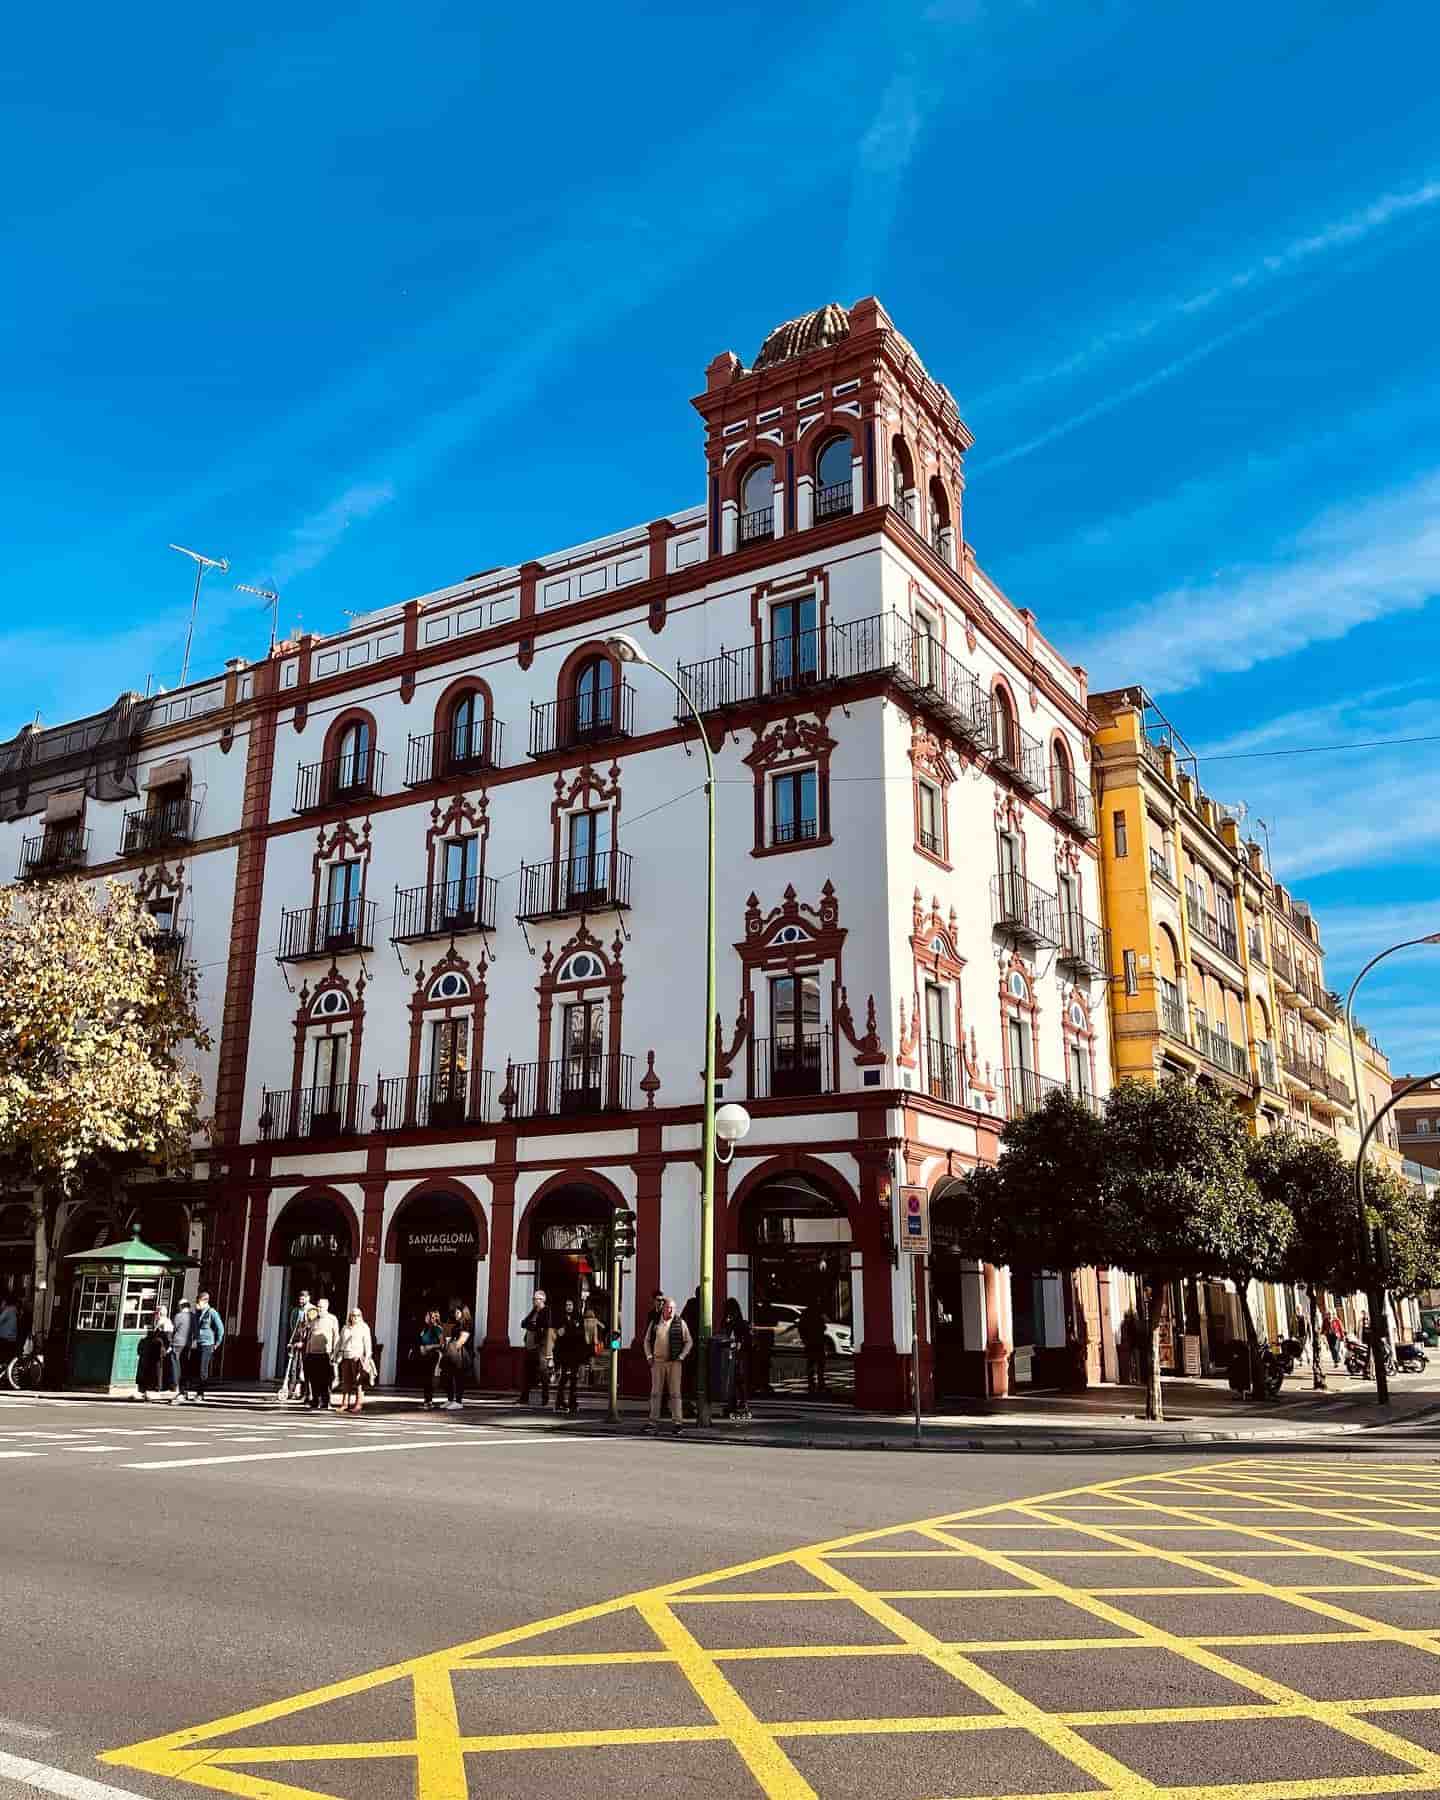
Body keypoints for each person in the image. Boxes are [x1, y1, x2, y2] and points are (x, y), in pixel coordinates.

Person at [645, 1295, 692, 1433]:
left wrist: (682, 1356)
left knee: (675, 1394)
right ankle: (652, 1422)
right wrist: (649, 1356)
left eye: (673, 1308)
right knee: (655, 1393)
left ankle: (678, 1423)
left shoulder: (680, 1322)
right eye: (668, 1308)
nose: (670, 1310)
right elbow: (646, 1340)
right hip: (657, 1362)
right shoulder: (655, 1322)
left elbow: (689, 1341)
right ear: (663, 1308)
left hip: (674, 1363)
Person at [187, 1290, 225, 1401]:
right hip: (197, 1344)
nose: (196, 1304)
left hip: (207, 1344)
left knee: (202, 1370)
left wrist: (216, 1344)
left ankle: (200, 1393)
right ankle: (188, 1391)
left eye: (198, 1302)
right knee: (193, 1368)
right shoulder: (198, 1313)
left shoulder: (211, 1312)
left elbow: (220, 1329)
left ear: (205, 1301)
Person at [518, 1290, 554, 1406]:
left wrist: (533, 1326)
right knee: (527, 1373)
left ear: (543, 1300)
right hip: (530, 1346)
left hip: (540, 1347)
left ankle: (545, 1398)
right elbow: (523, 1323)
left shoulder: (546, 1311)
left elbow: (544, 1326)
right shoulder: (533, 1311)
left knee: (543, 1373)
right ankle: (524, 1398)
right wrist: (532, 1325)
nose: (534, 1301)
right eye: (533, 1299)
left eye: (536, 1299)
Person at [304, 1298, 340, 1410]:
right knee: (313, 1378)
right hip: (312, 1353)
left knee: (325, 1379)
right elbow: (309, 1335)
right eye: (318, 1306)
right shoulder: (313, 1319)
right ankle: (315, 1400)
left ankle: (325, 1401)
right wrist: (307, 1351)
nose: (319, 1308)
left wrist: (335, 1352)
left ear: (327, 1307)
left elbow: (336, 1336)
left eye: (321, 1307)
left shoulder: (332, 1319)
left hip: (326, 1353)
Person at [720, 1297, 752, 1420]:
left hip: (738, 1354)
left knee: (737, 1379)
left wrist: (740, 1343)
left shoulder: (739, 1323)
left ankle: (740, 1403)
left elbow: (745, 1339)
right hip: (733, 1354)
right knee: (734, 1381)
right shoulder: (730, 1322)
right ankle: (737, 1403)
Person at [553, 1298, 586, 1415]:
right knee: (563, 1378)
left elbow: (580, 1334)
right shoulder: (561, 1318)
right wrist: (570, 1330)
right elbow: (559, 1334)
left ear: (574, 1306)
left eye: (570, 1304)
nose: (568, 1307)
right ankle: (560, 1402)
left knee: (573, 1379)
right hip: (563, 1353)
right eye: (567, 1305)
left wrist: (567, 1330)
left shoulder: (578, 1317)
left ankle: (573, 1402)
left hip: (575, 1353)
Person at [337, 1308, 374, 1414]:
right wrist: (336, 1355)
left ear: (360, 1316)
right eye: (353, 1315)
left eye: (358, 1315)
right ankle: (344, 1404)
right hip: (346, 1357)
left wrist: (367, 1358)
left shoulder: (364, 1327)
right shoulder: (345, 1328)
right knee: (346, 1382)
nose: (355, 1317)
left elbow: (368, 1344)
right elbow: (339, 1342)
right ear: (350, 1316)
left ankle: (358, 1404)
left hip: (357, 1357)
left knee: (358, 1382)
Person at [136, 1311, 173, 1401]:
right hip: (156, 1356)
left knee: (156, 1371)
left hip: (156, 1356)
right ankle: (153, 1388)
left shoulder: (163, 1327)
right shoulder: (158, 1336)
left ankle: (150, 1389)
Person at [441, 1306, 472, 1411]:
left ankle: (458, 1401)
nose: (456, 1314)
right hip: (452, 1351)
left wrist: (453, 1348)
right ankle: (450, 1399)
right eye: (455, 1312)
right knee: (447, 1375)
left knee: (459, 1377)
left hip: (462, 1353)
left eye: (458, 1312)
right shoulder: (456, 1325)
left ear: (463, 1313)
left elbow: (462, 1340)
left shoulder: (466, 1324)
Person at [282, 1306, 313, 1404]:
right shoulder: (301, 1326)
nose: (305, 1317)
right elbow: (295, 1334)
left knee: (304, 1371)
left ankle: (305, 1393)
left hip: (308, 1351)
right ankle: (291, 1391)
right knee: (294, 1369)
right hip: (297, 1348)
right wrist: (292, 1343)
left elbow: (311, 1338)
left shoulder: (312, 1326)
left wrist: (303, 1343)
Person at [416, 1309, 445, 1410]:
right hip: (424, 1354)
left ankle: (429, 1401)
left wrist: (430, 1346)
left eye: (427, 1316)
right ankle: (426, 1400)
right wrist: (421, 1347)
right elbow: (421, 1340)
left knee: (429, 1377)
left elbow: (442, 1343)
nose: (426, 1317)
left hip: (433, 1354)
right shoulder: (425, 1329)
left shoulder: (437, 1328)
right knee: (425, 1377)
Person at [798, 1302, 828, 1396]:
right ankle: (819, 1383)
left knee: (812, 1363)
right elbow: (823, 1327)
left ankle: (812, 1383)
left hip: (811, 1342)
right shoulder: (817, 1314)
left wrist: (804, 1339)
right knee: (819, 1364)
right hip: (817, 1341)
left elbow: (801, 1328)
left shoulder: (806, 1314)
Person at [169, 1298, 195, 1404]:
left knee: (176, 1367)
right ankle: (183, 1389)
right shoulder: (193, 1316)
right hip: (188, 1344)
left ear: (181, 1306)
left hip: (177, 1344)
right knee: (184, 1367)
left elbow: (173, 1329)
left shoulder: (178, 1316)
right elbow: (195, 1331)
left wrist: (170, 1343)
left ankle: (177, 1388)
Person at [0, 1294, 18, 1373]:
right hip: (11, 1337)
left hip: (6, 1337)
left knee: (3, 1357)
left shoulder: (8, 1310)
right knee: (7, 1357)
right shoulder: (13, 1310)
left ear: (5, 1302)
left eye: (2, 1303)